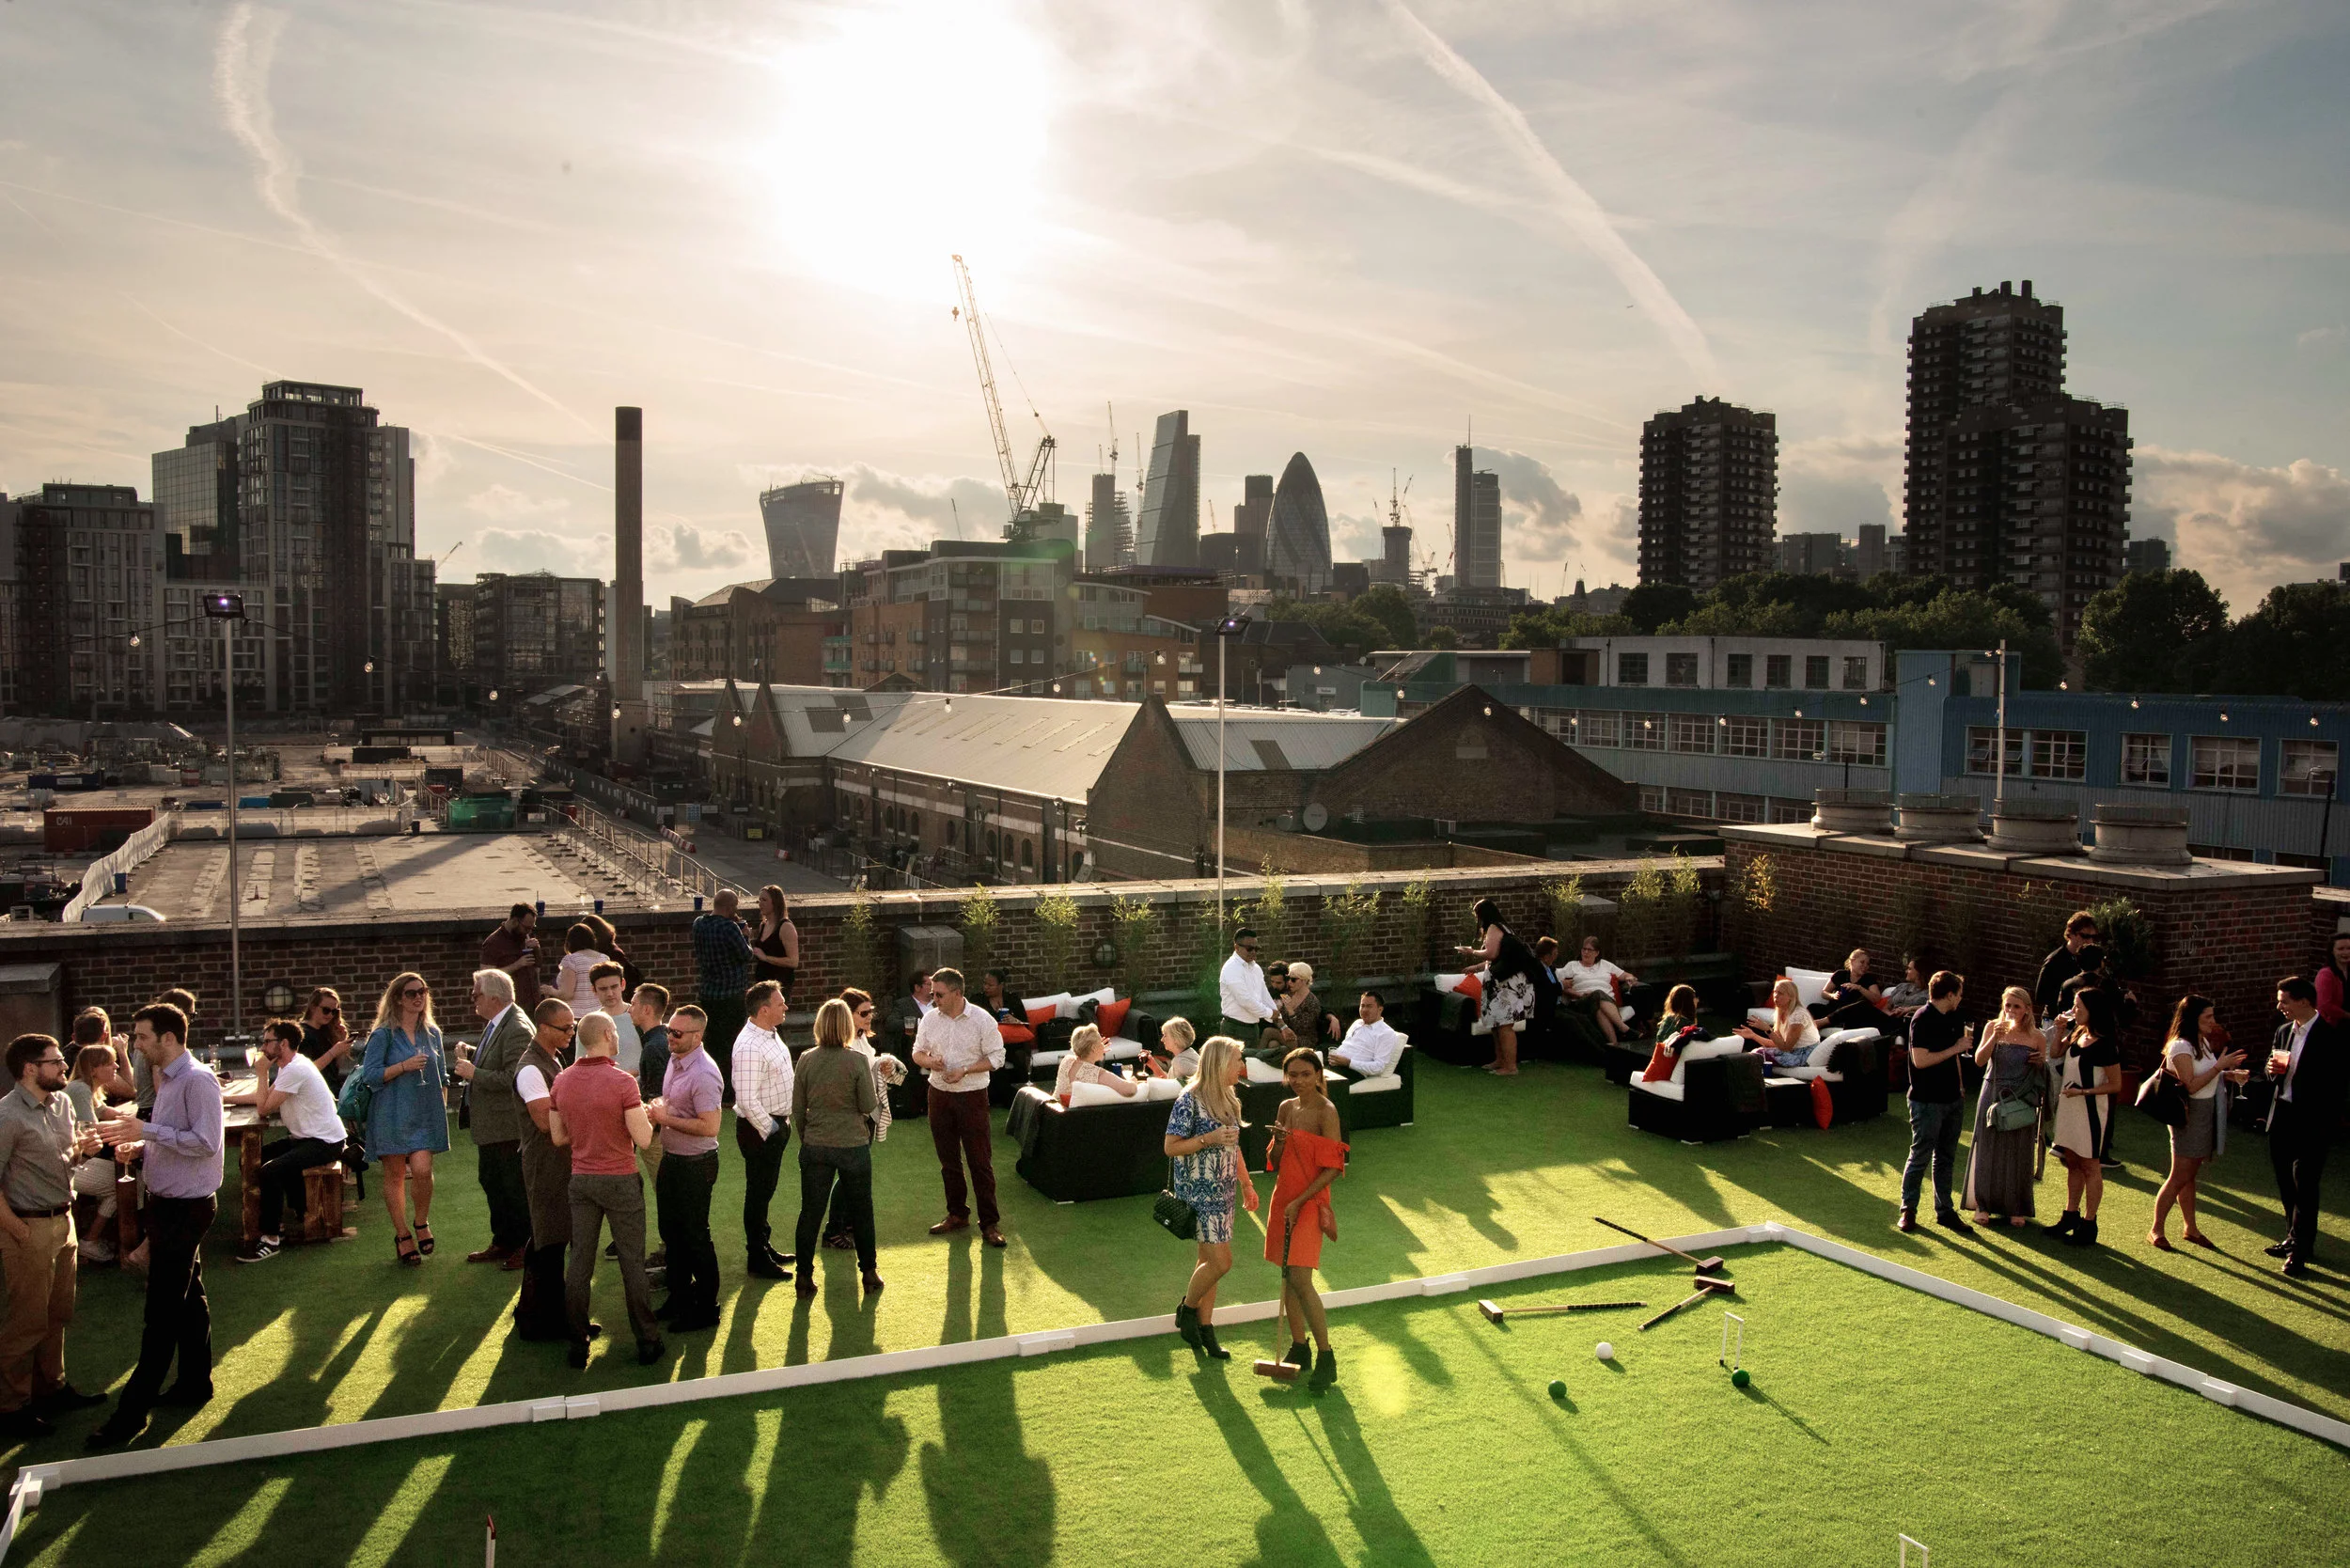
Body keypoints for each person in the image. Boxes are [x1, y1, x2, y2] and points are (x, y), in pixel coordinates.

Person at [88, 1001, 223, 1448]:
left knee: (161, 1313)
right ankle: (194, 1384)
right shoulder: (167, 1078)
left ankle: (129, 1417)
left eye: (142, 1037)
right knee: (189, 1299)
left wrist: (145, 1133)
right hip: (168, 1206)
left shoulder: (198, 1080)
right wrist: (141, 1146)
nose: (136, 1044)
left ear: (168, 1038)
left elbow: (205, 1144)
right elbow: (172, 1138)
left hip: (186, 1209)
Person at [0, 1033, 104, 1439]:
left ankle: (51, 1389)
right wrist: (18, 1230)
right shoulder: (7, 1117)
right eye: (56, 1061)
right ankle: (10, 1407)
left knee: (58, 1314)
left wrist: (84, 1152)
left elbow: (66, 1159)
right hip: (28, 1227)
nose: (65, 1066)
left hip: (64, 1221)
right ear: (30, 1068)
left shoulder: (60, 1103)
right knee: (26, 1321)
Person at [548, 1012, 662, 1368]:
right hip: (620, 1179)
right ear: (608, 1035)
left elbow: (558, 1137)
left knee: (579, 1262)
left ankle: (578, 1342)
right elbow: (643, 1139)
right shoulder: (622, 1083)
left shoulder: (562, 1081)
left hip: (581, 1180)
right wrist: (653, 1114)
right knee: (632, 1263)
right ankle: (647, 1339)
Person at [1165, 1035, 1257, 1360]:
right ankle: (1187, 1310)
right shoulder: (1189, 1099)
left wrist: (1246, 1184)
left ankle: (1205, 1330)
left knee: (1209, 1264)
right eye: (1237, 1061)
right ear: (1219, 1063)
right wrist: (1210, 1138)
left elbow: (1234, 1146)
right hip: (1198, 1192)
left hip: (1224, 1190)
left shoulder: (1229, 1098)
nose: (1241, 1066)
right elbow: (1171, 1147)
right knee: (1221, 1262)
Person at [226, 1020, 349, 1262]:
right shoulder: (289, 1066)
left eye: (267, 1041)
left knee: (269, 1171)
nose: (262, 1048)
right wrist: (222, 1098)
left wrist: (261, 1073)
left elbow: (263, 1108)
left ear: (283, 1044)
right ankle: (280, 1219)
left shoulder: (295, 1069)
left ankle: (271, 1238)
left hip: (325, 1142)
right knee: (251, 1159)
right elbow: (264, 1096)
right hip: (306, 1138)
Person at [1265, 1044, 1347, 1388]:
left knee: (1301, 1279)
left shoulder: (1326, 1111)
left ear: (1318, 1075)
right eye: (1292, 1075)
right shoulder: (1286, 1107)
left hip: (1309, 1201)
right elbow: (1275, 1160)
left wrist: (1300, 1201)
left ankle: (1327, 1357)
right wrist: (1279, 1141)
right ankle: (1300, 1347)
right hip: (1283, 1197)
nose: (1298, 1081)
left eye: (1305, 1074)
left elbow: (1333, 1167)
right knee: (1287, 1275)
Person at [791, 997, 883, 1296]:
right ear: (846, 1026)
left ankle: (803, 1277)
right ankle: (869, 1273)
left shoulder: (806, 1059)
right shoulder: (857, 1061)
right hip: (853, 1145)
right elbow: (869, 1105)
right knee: (862, 1211)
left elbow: (797, 1108)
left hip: (816, 1144)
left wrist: (808, 1137)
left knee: (810, 1213)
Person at [359, 971, 450, 1266]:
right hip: (391, 1112)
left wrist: (440, 1109)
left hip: (424, 1114)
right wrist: (404, 1066)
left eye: (422, 991)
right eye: (411, 993)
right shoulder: (383, 1034)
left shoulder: (432, 1033)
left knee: (422, 1169)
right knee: (395, 1175)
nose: (419, 997)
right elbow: (371, 1076)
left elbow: (442, 1077)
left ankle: (421, 1222)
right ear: (397, 998)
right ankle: (402, 1234)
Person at [645, 1002, 724, 1332]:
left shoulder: (704, 1072)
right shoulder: (676, 1061)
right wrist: (665, 1107)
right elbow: (678, 1106)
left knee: (694, 1237)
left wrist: (666, 1118)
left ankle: (706, 1308)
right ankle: (679, 1298)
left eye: (676, 1033)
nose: (670, 1038)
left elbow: (710, 1127)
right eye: (668, 1031)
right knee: (672, 1234)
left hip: (695, 1165)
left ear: (697, 1035)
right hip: (674, 1161)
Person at [913, 968, 1007, 1247]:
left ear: (957, 993)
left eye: (939, 994)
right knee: (948, 1160)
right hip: (938, 1095)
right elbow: (917, 1052)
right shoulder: (930, 1019)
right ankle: (957, 1214)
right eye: (933, 994)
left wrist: (965, 1070)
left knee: (980, 1161)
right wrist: (930, 1063)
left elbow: (998, 1056)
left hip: (973, 1096)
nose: (934, 999)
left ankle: (989, 1223)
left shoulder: (982, 1020)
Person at [2149, 995, 2248, 1252]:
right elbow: (2191, 1085)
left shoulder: (2200, 1041)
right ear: (2193, 1019)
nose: (2213, 1022)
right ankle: (2156, 1228)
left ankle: (2190, 1228)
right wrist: (2220, 1068)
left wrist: (2229, 1073)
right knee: (2179, 1175)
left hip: (2204, 1112)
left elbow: (2203, 1074)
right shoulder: (2180, 1046)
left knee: (2190, 1175)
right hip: (2188, 1115)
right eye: (2208, 1017)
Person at [450, 968, 533, 1268]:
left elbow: (516, 1077)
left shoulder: (518, 1027)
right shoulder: (499, 1022)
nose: (473, 999)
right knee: (493, 1183)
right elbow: (498, 1058)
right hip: (492, 1128)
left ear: (494, 998)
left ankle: (526, 1246)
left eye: (477, 994)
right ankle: (504, 1242)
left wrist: (475, 1073)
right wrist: (473, 1054)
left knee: (514, 1188)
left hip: (508, 1127)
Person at [2265, 976, 2346, 1278]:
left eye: (2284, 1000)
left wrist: (2325, 1124)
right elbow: (2272, 1067)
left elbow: (2337, 1087)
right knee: (2286, 1181)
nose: (2279, 1006)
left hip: (2312, 1123)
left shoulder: (2331, 1037)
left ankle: (2300, 1250)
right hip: (2282, 1116)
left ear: (2303, 1001)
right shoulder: (2284, 1031)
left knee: (2306, 1184)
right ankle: (2292, 1237)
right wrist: (2270, 1069)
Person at [512, 999, 576, 1341]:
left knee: (546, 1240)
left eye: (573, 1027)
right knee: (549, 1242)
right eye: (564, 1028)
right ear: (543, 1028)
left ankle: (532, 1314)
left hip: (558, 1162)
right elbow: (544, 1124)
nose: (571, 1033)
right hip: (544, 1164)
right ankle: (547, 1321)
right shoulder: (530, 1069)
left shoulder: (553, 1058)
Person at [823, 988, 904, 1252]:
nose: (870, 1017)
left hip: (867, 1114)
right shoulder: (843, 1045)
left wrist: (882, 1063)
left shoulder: (861, 1039)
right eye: (864, 1013)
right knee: (850, 1175)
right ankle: (833, 1230)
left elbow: (866, 1067)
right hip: (855, 1118)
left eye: (871, 1012)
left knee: (853, 1174)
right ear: (848, 1015)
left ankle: (846, 1224)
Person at [1895, 971, 1974, 1235]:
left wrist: (1961, 1086)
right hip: (1926, 1100)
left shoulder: (1955, 1017)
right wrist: (1957, 1047)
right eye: (1959, 994)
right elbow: (1921, 1061)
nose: (1961, 999)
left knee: (1946, 1157)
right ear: (1949, 995)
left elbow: (1955, 1059)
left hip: (1952, 1098)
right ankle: (1908, 1210)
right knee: (1920, 1155)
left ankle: (1945, 1211)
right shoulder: (1922, 1019)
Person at [1965, 986, 2046, 1228]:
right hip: (1992, 1093)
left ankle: (2015, 1207)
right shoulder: (1992, 1026)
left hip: (2020, 1097)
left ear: (2027, 1010)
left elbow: (2042, 1076)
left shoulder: (2037, 1037)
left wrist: (2041, 1063)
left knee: (2018, 1150)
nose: (2010, 1010)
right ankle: (1983, 1205)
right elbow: (1979, 1061)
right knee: (1988, 1148)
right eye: (2007, 1005)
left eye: (2016, 1006)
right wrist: (1993, 1037)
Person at [2046, 988, 2123, 1248]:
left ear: (2093, 1011)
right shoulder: (2078, 1033)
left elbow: (2116, 1085)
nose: (2074, 1010)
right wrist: (2058, 1030)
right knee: (2072, 1161)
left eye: (2079, 1007)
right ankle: (2070, 1215)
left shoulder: (2105, 1043)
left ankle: (2089, 1224)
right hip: (2069, 1108)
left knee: (2090, 1166)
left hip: (2089, 1111)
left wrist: (2084, 1091)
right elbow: (2055, 1053)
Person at [731, 981, 796, 1279]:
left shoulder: (769, 1033)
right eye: (780, 1003)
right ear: (764, 1009)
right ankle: (757, 1258)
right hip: (760, 1130)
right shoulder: (749, 1046)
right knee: (758, 1193)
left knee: (764, 1191)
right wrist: (772, 1129)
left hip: (773, 1124)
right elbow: (746, 1099)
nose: (786, 1007)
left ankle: (763, 1245)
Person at [1456, 898, 1540, 1076]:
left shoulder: (1494, 927)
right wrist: (1477, 968)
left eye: (1476, 915)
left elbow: (1491, 953)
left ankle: (1510, 1067)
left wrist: (1471, 951)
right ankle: (1500, 1060)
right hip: (1505, 981)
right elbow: (1499, 956)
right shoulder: (1505, 927)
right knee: (1496, 1024)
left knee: (1504, 1025)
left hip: (1507, 984)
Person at [691, 890, 756, 1097]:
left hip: (708, 993)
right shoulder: (730, 928)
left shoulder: (699, 923)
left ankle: (711, 1088)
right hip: (732, 994)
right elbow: (746, 955)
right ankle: (728, 1091)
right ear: (729, 907)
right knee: (732, 1043)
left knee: (712, 1042)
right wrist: (746, 936)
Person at [65, 1042, 120, 1265]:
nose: (116, 1066)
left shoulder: (88, 1088)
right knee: (123, 1184)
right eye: (110, 1063)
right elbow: (91, 1129)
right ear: (94, 1069)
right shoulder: (79, 1089)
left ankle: (95, 1237)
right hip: (72, 1163)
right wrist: (132, 1129)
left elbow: (105, 1112)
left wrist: (137, 1119)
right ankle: (90, 1241)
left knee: (125, 1178)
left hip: (80, 1159)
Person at [1556, 935, 1634, 1045]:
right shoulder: (1572, 966)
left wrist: (1630, 978)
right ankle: (1624, 1028)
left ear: (1597, 953)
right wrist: (1580, 994)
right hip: (1582, 1002)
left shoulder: (1605, 964)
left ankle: (1614, 1044)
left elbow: (1626, 975)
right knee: (1597, 994)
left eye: (1589, 950)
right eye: (1584, 949)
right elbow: (1562, 986)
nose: (1586, 952)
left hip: (1607, 1003)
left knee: (1599, 1006)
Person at [1735, 978, 1822, 1069]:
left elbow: (1786, 1047)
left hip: (1804, 1055)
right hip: (1792, 1051)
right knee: (1757, 1052)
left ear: (1791, 997)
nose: (1776, 996)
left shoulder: (1798, 1016)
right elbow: (1776, 1044)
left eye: (1780, 993)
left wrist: (1768, 1030)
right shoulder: (1781, 1012)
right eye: (1775, 992)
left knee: (1758, 1056)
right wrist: (1753, 1035)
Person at [2033, 910, 2099, 1019]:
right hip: (2057, 1019)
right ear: (2071, 934)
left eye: (2093, 937)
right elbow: (2041, 996)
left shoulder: (2090, 958)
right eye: (2085, 936)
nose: (2090, 941)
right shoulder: (2055, 960)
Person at [1218, 929, 1278, 1044]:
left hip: (1253, 1027)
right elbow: (1245, 1001)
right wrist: (1270, 1013)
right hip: (1234, 1028)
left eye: (1257, 948)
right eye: (1249, 948)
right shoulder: (1231, 968)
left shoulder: (1256, 968)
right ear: (1236, 947)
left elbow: (1264, 996)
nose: (1254, 952)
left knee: (1251, 1062)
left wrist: (1280, 1022)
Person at [1053, 1024, 1137, 1105]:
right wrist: (1132, 1081)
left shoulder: (1066, 1060)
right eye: (1101, 1043)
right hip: (1079, 1116)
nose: (1103, 1045)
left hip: (1054, 1112)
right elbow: (1130, 1090)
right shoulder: (1098, 1074)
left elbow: (1083, 1060)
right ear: (1093, 1048)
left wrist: (1097, 1050)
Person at [1329, 992, 1406, 1080]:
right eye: (1362, 1006)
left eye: (1369, 1006)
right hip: (1336, 1062)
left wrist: (1348, 1063)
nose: (1364, 1010)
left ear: (1380, 1009)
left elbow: (1378, 1067)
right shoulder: (1357, 1023)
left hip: (1353, 1071)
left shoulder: (1385, 1033)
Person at [482, 903, 543, 1011]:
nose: (529, 932)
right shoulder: (494, 942)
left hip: (532, 1004)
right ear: (515, 921)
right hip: (510, 1007)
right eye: (526, 928)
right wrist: (517, 965)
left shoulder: (524, 937)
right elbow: (486, 976)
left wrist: (536, 949)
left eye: (532, 928)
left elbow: (537, 967)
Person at [1638, 985, 1705, 1083]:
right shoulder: (1683, 1024)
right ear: (1687, 1001)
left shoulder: (1669, 1020)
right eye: (1694, 998)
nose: (1697, 1000)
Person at [589, 964, 643, 1083]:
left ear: (623, 984)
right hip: (605, 1089)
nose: (609, 993)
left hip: (639, 1088)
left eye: (614, 987)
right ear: (594, 990)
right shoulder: (590, 1022)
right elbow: (582, 1062)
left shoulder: (639, 1016)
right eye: (603, 989)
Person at [1816, 949, 1888, 1031]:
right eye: (1862, 962)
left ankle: (1823, 1024)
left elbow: (1876, 999)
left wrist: (1859, 988)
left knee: (1854, 1009)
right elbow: (1824, 993)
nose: (1865, 966)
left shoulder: (1869, 979)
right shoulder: (1840, 974)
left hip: (1851, 1013)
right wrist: (1833, 995)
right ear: (1852, 961)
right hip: (1834, 1008)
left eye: (1868, 964)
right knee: (1813, 1007)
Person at [298, 987, 353, 1089]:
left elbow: (333, 1068)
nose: (330, 1015)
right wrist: (333, 1052)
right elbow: (306, 1070)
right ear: (313, 1007)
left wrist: (341, 1042)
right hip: (313, 1091)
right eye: (326, 1010)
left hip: (330, 1089)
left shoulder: (326, 1031)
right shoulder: (302, 1033)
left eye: (334, 1011)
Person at [752, 885, 799, 1002]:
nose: (760, 904)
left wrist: (766, 958)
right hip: (762, 985)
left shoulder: (786, 927)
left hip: (779, 987)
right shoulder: (764, 925)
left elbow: (793, 962)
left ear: (775, 903)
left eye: (764, 900)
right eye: (759, 900)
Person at [554, 924, 611, 1017]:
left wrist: (550, 990)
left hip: (576, 1015)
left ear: (570, 942)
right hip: (600, 1014)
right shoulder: (604, 959)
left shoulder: (571, 960)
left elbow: (567, 994)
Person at [1269, 962, 1324, 1058]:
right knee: (1273, 1044)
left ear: (1303, 980)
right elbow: (1279, 1020)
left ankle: (1252, 1057)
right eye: (1288, 978)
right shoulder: (1288, 994)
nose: (1289, 982)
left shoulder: (1312, 1002)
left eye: (1293, 980)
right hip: (1287, 1035)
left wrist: (1291, 1011)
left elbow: (1302, 1029)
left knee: (1268, 1032)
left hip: (1304, 1041)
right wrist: (1278, 1013)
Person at [630, 983, 672, 1103]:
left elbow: (655, 1097)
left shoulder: (653, 1047)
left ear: (646, 1009)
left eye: (633, 1004)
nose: (629, 1010)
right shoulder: (665, 1038)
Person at [1139, 1016, 1201, 1082]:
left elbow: (1204, 1077)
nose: (1162, 1039)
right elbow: (1170, 1082)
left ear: (1176, 1039)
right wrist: (1153, 1064)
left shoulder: (1180, 1062)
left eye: (1165, 1035)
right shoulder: (1189, 1053)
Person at [1882, 956, 1933, 1020]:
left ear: (1919, 972)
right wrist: (1891, 1015)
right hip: (1889, 1018)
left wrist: (1909, 1009)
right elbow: (1885, 1008)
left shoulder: (1929, 993)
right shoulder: (1901, 987)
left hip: (1906, 1022)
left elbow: (1932, 1008)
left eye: (1909, 969)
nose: (1906, 971)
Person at [2317, 932, 2350, 1027]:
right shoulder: (2326, 974)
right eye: (2341, 949)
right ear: (2332, 951)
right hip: (2332, 1027)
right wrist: (2347, 1015)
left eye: (2349, 948)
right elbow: (2325, 1005)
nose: (2346, 952)